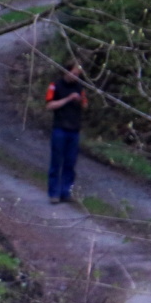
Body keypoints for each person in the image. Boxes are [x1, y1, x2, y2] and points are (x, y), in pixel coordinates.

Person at [45, 60, 88, 204]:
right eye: (74, 73)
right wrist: (68, 99)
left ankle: (66, 192)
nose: (76, 77)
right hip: (60, 128)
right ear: (66, 71)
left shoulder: (80, 86)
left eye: (78, 75)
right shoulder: (55, 85)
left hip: (74, 129)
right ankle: (53, 193)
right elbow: (50, 105)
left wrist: (80, 100)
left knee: (70, 163)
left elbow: (85, 105)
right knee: (56, 162)